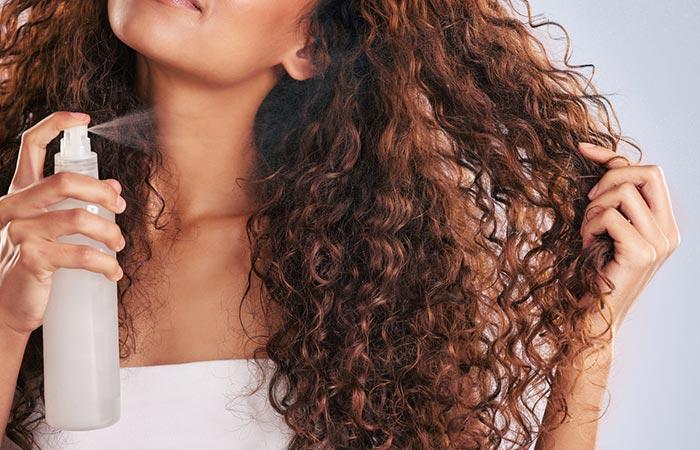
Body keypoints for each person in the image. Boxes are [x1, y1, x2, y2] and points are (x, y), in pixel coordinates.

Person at [0, 0, 681, 449]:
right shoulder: (17, 227)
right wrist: (5, 318)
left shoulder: (362, 287)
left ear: (312, 48)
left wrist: (588, 339)